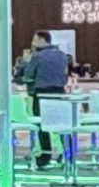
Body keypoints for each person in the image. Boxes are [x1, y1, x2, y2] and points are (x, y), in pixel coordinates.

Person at [16, 30, 73, 169]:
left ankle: (45, 155)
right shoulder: (62, 55)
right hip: (59, 93)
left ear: (42, 40)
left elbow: (28, 75)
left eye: (35, 39)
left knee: (42, 125)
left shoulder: (37, 56)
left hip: (42, 93)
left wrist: (26, 62)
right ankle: (68, 154)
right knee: (62, 125)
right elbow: (65, 75)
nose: (32, 42)